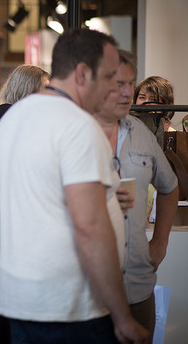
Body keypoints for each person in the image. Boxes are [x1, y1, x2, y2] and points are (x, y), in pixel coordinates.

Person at [0, 28, 148, 344]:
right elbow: (89, 227)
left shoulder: (13, 117)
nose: (110, 89)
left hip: (24, 298)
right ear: (82, 74)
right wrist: (122, 316)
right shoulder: (78, 126)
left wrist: (103, 199)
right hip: (70, 306)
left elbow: (39, 197)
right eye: (107, 78)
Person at [94, 50, 178, 341]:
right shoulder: (77, 130)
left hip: (138, 284)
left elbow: (169, 185)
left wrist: (161, 242)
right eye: (118, 83)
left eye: (131, 84)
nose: (126, 92)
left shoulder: (141, 133)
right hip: (90, 289)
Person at [0, 65, 50, 344]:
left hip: (10, 218)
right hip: (0, 218)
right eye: (44, 89)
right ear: (28, 89)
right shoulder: (4, 114)